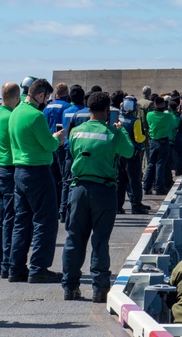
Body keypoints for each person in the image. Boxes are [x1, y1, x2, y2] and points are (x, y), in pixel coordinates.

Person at [61, 92, 134, 302]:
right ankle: (100, 289)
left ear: (88, 109)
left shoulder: (75, 132)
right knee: (100, 240)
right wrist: (122, 132)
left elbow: (73, 153)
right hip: (103, 190)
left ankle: (70, 287)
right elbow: (128, 153)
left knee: (74, 238)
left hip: (78, 188)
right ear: (106, 110)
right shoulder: (112, 133)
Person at [9, 78, 66, 283]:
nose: (46, 102)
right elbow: (49, 145)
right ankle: (39, 267)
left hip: (20, 170)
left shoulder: (16, 112)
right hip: (38, 171)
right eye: (46, 98)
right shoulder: (36, 116)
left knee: (22, 221)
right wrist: (58, 138)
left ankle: (16, 267)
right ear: (40, 95)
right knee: (45, 220)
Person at [0, 82, 21, 279]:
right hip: (11, 169)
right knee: (11, 217)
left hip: (0, 168)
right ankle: (7, 263)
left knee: (1, 217)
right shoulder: (12, 117)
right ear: (17, 98)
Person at [115, 91, 148, 215]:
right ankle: (136, 205)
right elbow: (139, 138)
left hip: (120, 154)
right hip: (133, 153)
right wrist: (145, 138)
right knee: (134, 180)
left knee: (120, 180)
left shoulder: (118, 118)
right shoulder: (135, 121)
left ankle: (118, 206)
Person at [59, 85, 89, 220]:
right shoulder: (85, 112)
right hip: (81, 150)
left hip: (67, 148)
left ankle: (62, 211)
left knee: (66, 181)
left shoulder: (66, 111)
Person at [43, 83, 71, 217]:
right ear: (67, 93)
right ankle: (62, 206)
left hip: (49, 144)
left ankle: (53, 205)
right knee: (63, 177)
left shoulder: (47, 107)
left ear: (56, 94)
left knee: (52, 177)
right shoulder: (67, 107)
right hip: (61, 144)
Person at [142, 95, 176, 195]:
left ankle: (147, 187)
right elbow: (174, 123)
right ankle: (159, 187)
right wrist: (170, 110)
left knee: (151, 164)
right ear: (164, 104)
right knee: (160, 165)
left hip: (153, 141)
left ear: (154, 104)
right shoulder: (167, 116)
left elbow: (148, 123)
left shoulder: (149, 115)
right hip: (164, 142)